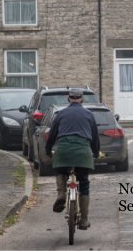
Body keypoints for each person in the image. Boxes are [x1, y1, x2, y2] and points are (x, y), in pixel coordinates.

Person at [45, 87, 100, 230]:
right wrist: (95, 153)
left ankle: (62, 194)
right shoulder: (89, 115)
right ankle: (84, 220)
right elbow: (95, 139)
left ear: (69, 99)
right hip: (83, 151)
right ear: (82, 99)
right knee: (84, 183)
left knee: (61, 172)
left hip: (63, 150)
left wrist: (48, 151)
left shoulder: (61, 114)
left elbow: (51, 136)